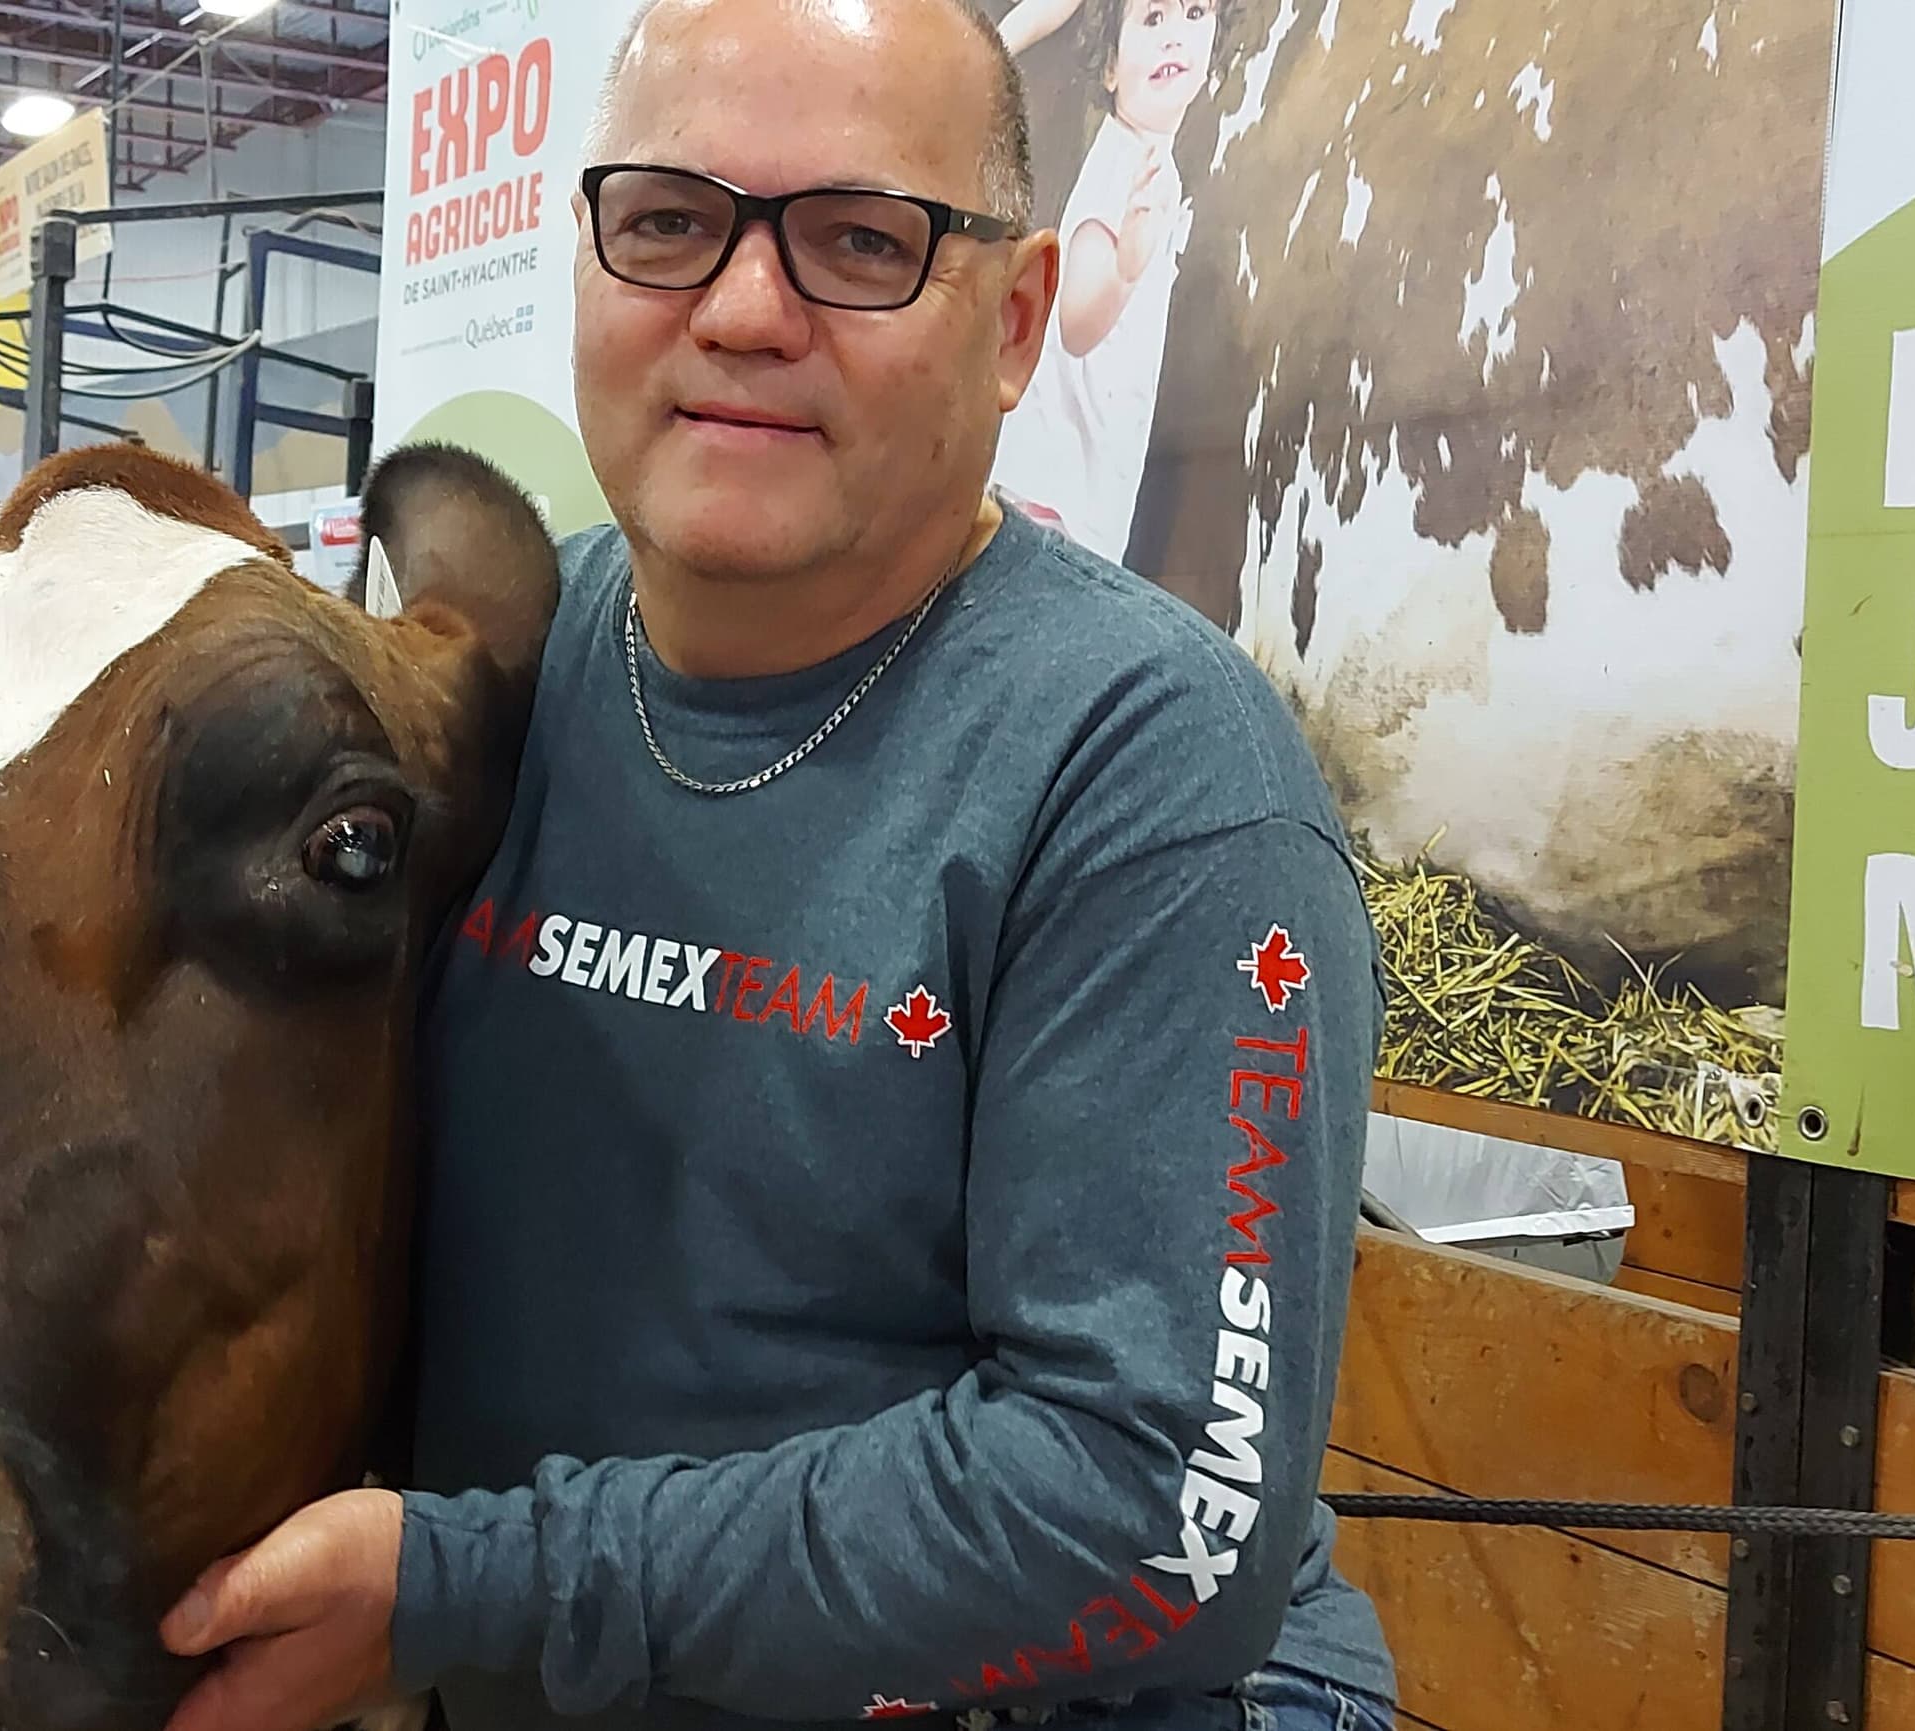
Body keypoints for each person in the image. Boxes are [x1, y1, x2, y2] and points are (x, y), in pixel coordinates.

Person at [153, 4, 1394, 1731]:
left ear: (1020, 321)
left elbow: (1162, 1519)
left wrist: (474, 1586)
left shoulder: (1156, 776)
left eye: (861, 242)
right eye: (668, 221)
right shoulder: (477, 680)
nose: (742, 312)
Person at [988, 0, 1218, 563]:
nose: (1174, 38)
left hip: (1070, 483)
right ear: (1111, 69)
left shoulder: (1149, 160)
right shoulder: (1122, 166)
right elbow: (1076, 322)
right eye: (1153, 20)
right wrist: (1124, 271)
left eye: (1194, 14)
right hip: (1056, 490)